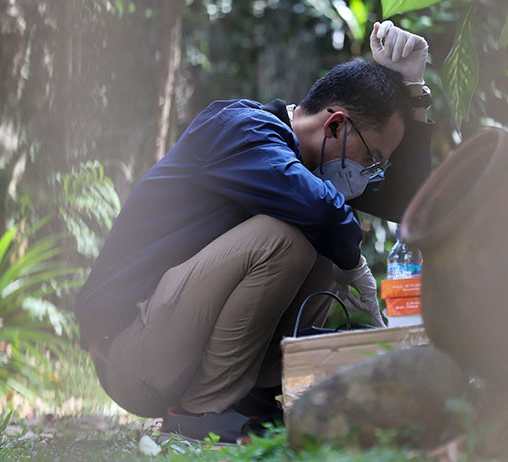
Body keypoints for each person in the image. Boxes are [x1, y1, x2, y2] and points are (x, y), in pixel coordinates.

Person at [74, 20, 434, 443]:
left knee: (316, 235)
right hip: (131, 354)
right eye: (371, 158)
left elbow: (408, 198)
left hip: (180, 346)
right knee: (289, 237)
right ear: (335, 125)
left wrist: (413, 88)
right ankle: (201, 413)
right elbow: (319, 212)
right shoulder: (240, 127)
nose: (369, 173)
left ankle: (255, 400)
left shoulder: (321, 169)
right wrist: (355, 265)